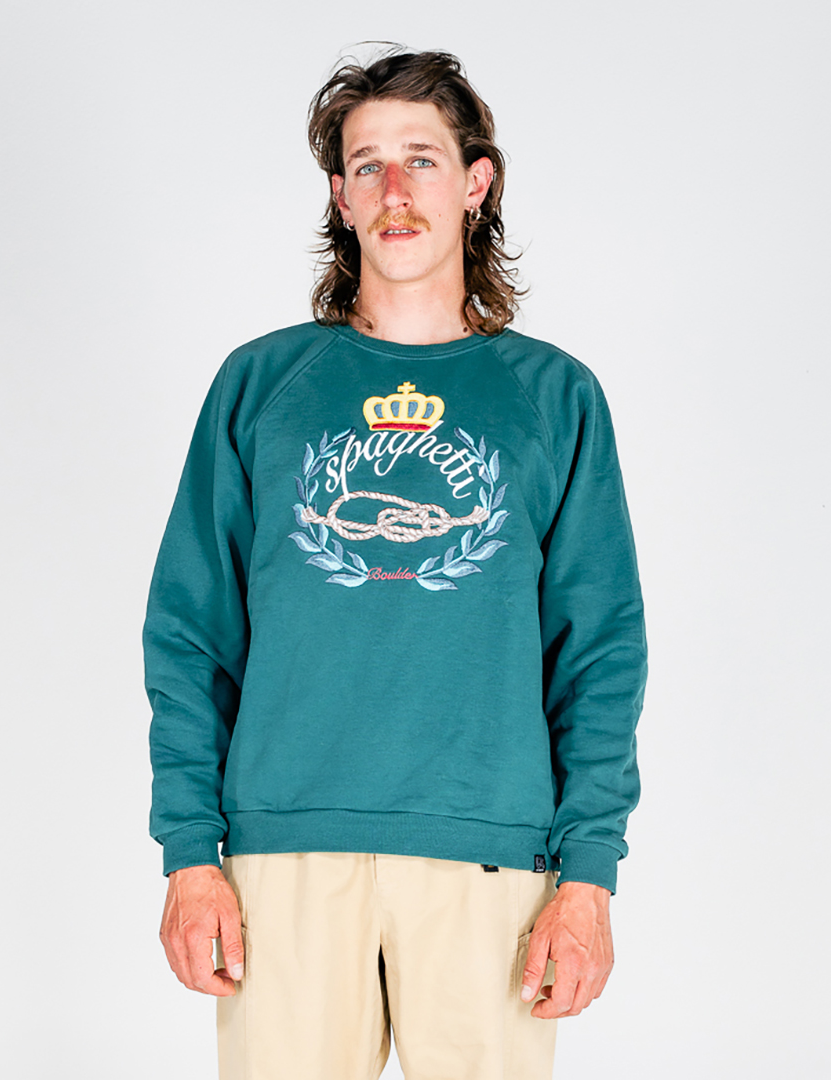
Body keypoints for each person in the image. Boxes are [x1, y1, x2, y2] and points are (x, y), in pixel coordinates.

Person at [143, 46, 647, 1079]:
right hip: (283, 855)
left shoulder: (555, 397)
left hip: (492, 858)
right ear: (340, 196)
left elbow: (599, 649)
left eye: (422, 158)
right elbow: (191, 632)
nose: (394, 189)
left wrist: (589, 875)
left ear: (475, 182)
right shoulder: (261, 385)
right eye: (366, 165)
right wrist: (190, 854)